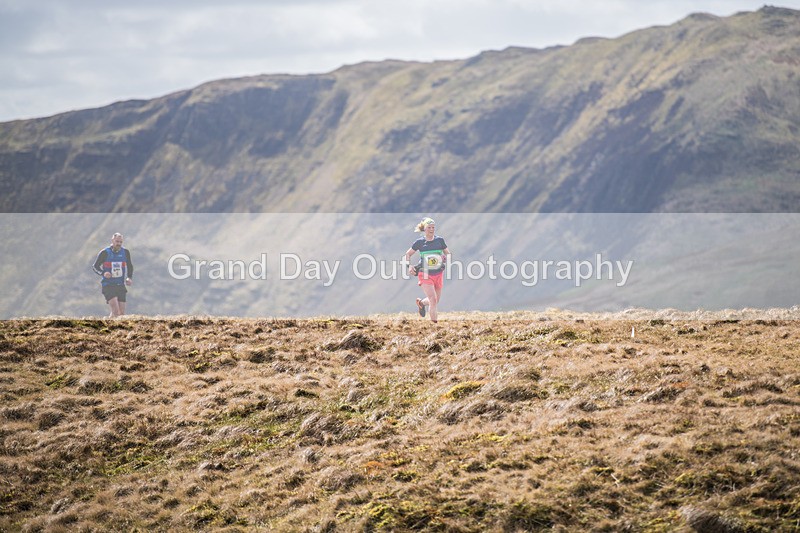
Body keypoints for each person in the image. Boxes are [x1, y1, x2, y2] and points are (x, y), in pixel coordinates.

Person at [404, 217, 450, 323]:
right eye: (429, 227)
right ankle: (434, 325)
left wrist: (445, 258)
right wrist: (409, 266)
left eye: (433, 227)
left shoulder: (440, 240)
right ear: (424, 229)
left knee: (435, 300)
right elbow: (408, 254)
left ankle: (421, 303)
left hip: (438, 274)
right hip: (424, 274)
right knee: (433, 300)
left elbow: (448, 253)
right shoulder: (420, 242)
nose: (431, 229)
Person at [92, 233, 133, 317]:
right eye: (117, 241)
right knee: (116, 311)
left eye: (120, 242)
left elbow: (130, 265)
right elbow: (95, 267)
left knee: (121, 314)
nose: (119, 244)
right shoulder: (105, 253)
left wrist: (129, 277)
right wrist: (103, 273)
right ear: (112, 241)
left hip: (120, 285)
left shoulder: (125, 252)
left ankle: (108, 324)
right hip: (108, 285)